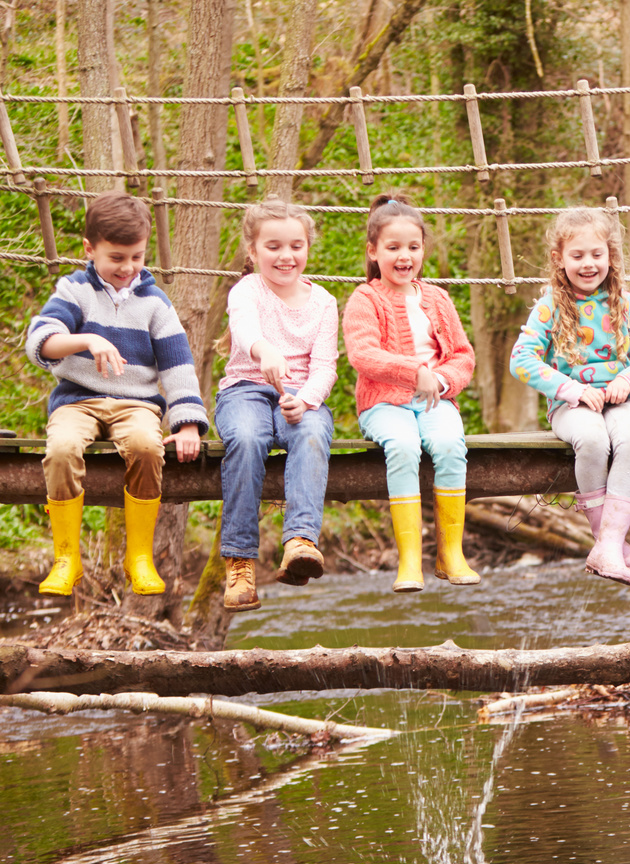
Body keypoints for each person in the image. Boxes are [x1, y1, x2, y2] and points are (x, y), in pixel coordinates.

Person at [25, 189, 206, 597]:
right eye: (116, 258)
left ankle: (138, 556)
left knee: (145, 445)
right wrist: (85, 339)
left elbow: (178, 367)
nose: (127, 268)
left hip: (136, 404)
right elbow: (41, 343)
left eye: (137, 257)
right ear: (90, 249)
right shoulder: (74, 291)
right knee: (62, 448)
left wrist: (189, 423)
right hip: (78, 399)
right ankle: (66, 557)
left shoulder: (155, 303)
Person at [510, 207, 630, 584]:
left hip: (620, 401)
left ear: (610, 256)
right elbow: (520, 360)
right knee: (593, 439)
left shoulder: (625, 304)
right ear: (559, 258)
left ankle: (608, 544)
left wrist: (629, 381)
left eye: (596, 255)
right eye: (577, 255)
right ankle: (609, 544)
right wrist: (573, 389)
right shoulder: (550, 306)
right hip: (571, 405)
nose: (588, 264)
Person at [343, 194, 479, 593]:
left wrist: (440, 380)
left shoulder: (437, 298)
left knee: (450, 443)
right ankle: (409, 560)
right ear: (373, 251)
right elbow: (363, 353)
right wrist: (412, 372)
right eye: (393, 247)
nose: (405, 256)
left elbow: (462, 356)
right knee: (403, 446)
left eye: (413, 247)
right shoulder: (365, 299)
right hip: (384, 402)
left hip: (434, 399)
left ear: (423, 250)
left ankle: (450, 552)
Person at [215, 198, 341, 611]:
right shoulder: (247, 290)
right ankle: (240, 562)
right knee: (248, 437)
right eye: (273, 247)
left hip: (299, 395)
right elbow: (245, 328)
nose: (286, 256)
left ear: (307, 248)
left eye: (296, 246)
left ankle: (300, 542)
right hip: (246, 388)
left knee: (311, 432)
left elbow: (326, 367)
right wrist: (264, 350)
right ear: (253, 251)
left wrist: (305, 401)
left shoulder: (323, 302)